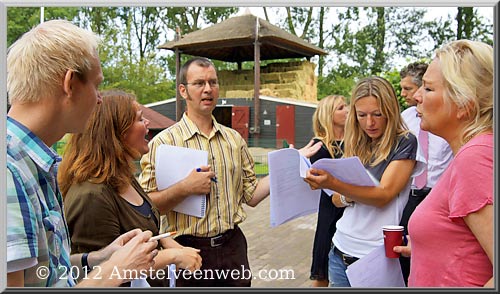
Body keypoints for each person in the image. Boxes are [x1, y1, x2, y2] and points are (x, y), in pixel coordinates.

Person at [139, 57, 321, 287]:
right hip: (187, 251)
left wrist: (291, 161)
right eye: (199, 83)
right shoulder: (163, 143)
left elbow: (251, 196)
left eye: (213, 82)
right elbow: (146, 209)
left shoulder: (234, 139)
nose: (208, 89)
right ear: (183, 91)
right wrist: (185, 188)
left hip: (233, 248)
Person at [6, 19, 158, 287]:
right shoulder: (9, 173)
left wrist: (98, 258)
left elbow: (45, 274)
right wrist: (115, 271)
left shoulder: (35, 164)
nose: (99, 99)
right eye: (96, 85)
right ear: (71, 83)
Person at [58, 90, 203, 287]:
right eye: (140, 119)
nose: (147, 123)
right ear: (117, 132)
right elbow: (106, 271)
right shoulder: (92, 196)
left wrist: (166, 242)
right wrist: (173, 256)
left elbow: (142, 230)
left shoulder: (124, 177)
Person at [305, 76, 423, 287]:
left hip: (375, 255)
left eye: (377, 114)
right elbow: (336, 201)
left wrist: (334, 184)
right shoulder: (355, 142)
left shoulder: (405, 141)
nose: (370, 123)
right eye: (362, 115)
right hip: (340, 248)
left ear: (390, 111)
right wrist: (350, 194)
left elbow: (383, 196)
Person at [393, 40, 493, 287]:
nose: (417, 96)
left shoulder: (475, 158)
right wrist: (429, 250)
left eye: (427, 89)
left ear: (463, 104)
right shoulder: (476, 151)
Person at [398, 63, 453, 285]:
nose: (403, 94)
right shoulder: (406, 117)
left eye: (408, 88)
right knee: (402, 246)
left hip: (438, 195)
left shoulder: (446, 118)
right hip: (410, 194)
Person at [308, 95, 348, 287]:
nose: (347, 110)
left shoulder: (356, 140)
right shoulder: (319, 145)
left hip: (352, 206)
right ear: (328, 114)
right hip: (330, 209)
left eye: (346, 106)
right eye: (341, 108)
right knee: (322, 272)